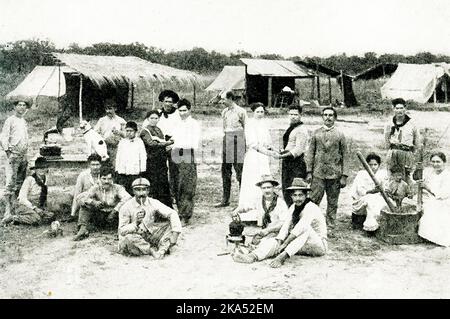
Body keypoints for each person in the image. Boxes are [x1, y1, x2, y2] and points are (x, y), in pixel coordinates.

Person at [232, 178, 327, 268]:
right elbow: (286, 226)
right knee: (276, 239)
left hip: (317, 245)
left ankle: (282, 257)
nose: (297, 198)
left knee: (305, 229)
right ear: (291, 196)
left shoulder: (311, 207)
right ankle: (253, 256)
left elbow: (300, 228)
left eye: (301, 195)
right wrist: (280, 241)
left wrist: (285, 244)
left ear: (306, 195)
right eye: (295, 195)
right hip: (302, 246)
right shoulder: (293, 207)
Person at [118, 178, 182, 258]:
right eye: (138, 190)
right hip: (135, 236)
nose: (141, 193)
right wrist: (136, 223)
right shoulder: (126, 207)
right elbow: (121, 231)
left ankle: (162, 250)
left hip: (148, 235)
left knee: (169, 226)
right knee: (128, 238)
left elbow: (172, 213)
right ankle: (151, 250)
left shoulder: (153, 202)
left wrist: (175, 235)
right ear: (133, 191)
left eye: (144, 190)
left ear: (148, 191)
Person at [306, 107, 349, 227]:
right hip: (318, 173)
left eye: (331, 115)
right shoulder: (316, 133)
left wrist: (344, 175)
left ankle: (330, 223)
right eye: (325, 115)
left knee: (333, 201)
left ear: (335, 118)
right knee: (313, 199)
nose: (328, 117)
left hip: (334, 174)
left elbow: (345, 155)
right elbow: (310, 153)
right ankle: (311, 222)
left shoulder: (340, 134)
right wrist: (309, 172)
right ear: (322, 117)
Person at [74, 166, 131, 241]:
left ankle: (122, 231)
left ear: (113, 179)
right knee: (85, 205)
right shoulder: (96, 187)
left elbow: (128, 198)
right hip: (100, 215)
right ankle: (83, 229)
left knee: (126, 206)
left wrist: (115, 210)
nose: (106, 181)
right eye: (104, 179)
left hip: (114, 217)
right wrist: (93, 202)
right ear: (100, 179)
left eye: (109, 179)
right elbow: (80, 197)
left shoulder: (118, 188)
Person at [231, 175, 288, 245]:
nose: (267, 190)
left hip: (276, 232)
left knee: (264, 244)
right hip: (263, 231)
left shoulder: (280, 203)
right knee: (252, 242)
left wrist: (269, 230)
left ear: (273, 188)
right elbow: (246, 206)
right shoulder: (259, 200)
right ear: (261, 189)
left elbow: (283, 223)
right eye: (264, 188)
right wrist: (236, 210)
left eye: (269, 187)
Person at [238, 102, 275, 208]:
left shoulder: (264, 124)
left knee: (263, 179)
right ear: (253, 112)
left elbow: (268, 141)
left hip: (263, 157)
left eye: (262, 112)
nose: (260, 114)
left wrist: (271, 150)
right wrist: (266, 152)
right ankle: (250, 208)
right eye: (257, 112)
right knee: (253, 180)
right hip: (254, 156)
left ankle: (263, 208)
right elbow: (252, 143)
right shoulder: (250, 124)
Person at [169, 98, 201, 224]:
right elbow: (172, 137)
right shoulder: (176, 123)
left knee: (186, 184)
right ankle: (179, 210)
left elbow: (193, 142)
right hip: (175, 152)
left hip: (187, 153)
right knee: (175, 182)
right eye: (180, 110)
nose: (182, 113)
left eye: (184, 110)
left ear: (189, 110)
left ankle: (185, 214)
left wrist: (179, 144)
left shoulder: (193, 124)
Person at [215, 91, 248, 207]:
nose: (222, 102)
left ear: (230, 98)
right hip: (227, 138)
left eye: (223, 99)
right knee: (225, 169)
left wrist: (245, 143)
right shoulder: (224, 112)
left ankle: (243, 200)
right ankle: (225, 199)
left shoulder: (241, 111)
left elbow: (246, 128)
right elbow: (225, 128)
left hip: (238, 139)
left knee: (239, 170)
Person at [1, 157, 55, 225]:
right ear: (35, 169)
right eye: (39, 168)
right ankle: (12, 218)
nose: (42, 170)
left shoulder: (45, 179)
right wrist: (35, 208)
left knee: (51, 216)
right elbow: (22, 199)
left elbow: (43, 196)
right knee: (36, 218)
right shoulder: (29, 180)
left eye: (44, 168)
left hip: (36, 206)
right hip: (24, 205)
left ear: (47, 169)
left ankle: (23, 220)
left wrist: (43, 209)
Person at [274, 105, 309, 207]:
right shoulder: (291, 127)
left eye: (295, 114)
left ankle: (297, 214)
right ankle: (290, 213)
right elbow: (289, 145)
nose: (293, 117)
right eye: (291, 114)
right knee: (286, 188)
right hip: (287, 162)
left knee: (295, 189)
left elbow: (298, 150)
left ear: (300, 115)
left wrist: (282, 156)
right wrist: (280, 151)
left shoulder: (301, 130)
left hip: (296, 164)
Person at [1, 100, 29, 223]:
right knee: (10, 183)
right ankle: (7, 211)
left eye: (24, 106)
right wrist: (8, 151)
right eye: (20, 105)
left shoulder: (23, 121)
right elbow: (4, 137)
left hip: (23, 155)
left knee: (21, 183)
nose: (22, 108)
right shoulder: (10, 120)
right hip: (14, 155)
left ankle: (17, 209)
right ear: (15, 107)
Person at [140, 110, 174, 208]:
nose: (154, 120)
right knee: (154, 185)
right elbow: (151, 144)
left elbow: (161, 142)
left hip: (161, 160)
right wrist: (168, 143)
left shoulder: (159, 130)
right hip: (151, 161)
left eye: (156, 118)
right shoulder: (145, 131)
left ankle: (165, 209)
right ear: (147, 119)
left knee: (163, 184)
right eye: (152, 118)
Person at [417, 152, 450, 246]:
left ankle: (437, 238)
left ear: (444, 162)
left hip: (444, 200)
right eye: (433, 162)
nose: (435, 164)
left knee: (435, 210)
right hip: (432, 199)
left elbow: (444, 194)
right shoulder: (431, 173)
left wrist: (427, 188)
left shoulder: (447, 175)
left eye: (438, 162)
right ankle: (427, 236)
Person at [350, 152, 388, 232]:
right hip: (363, 198)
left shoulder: (383, 174)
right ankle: (370, 227)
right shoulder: (361, 174)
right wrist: (371, 191)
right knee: (371, 200)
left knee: (382, 202)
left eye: (375, 164)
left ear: (379, 165)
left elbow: (386, 188)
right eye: (370, 165)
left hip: (378, 197)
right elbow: (360, 191)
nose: (373, 167)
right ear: (366, 165)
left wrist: (381, 190)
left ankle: (378, 224)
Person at [384, 98, 420, 181]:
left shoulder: (412, 124)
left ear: (405, 108)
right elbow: (386, 141)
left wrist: (412, 154)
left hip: (406, 153)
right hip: (393, 153)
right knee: (392, 177)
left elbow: (417, 142)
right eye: (397, 108)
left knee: (406, 177)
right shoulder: (389, 124)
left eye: (401, 108)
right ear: (393, 109)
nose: (399, 111)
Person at [115, 121, 147, 195]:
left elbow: (143, 156)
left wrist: (142, 169)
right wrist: (117, 169)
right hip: (123, 170)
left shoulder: (139, 142)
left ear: (135, 131)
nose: (129, 133)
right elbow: (118, 156)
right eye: (127, 131)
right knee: (123, 190)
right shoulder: (122, 142)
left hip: (134, 171)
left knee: (134, 188)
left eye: (131, 131)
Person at [94, 100, 126, 168]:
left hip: (116, 147)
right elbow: (95, 133)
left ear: (115, 109)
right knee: (103, 165)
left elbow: (126, 135)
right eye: (106, 109)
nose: (108, 111)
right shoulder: (101, 120)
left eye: (110, 108)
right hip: (104, 146)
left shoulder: (121, 120)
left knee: (115, 166)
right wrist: (102, 138)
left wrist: (119, 132)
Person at [71, 153, 102, 218]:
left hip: (100, 202)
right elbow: (77, 193)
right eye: (93, 165)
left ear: (100, 165)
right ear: (89, 165)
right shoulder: (83, 175)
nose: (95, 167)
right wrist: (72, 213)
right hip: (87, 202)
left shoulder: (104, 175)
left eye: (97, 164)